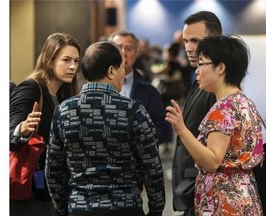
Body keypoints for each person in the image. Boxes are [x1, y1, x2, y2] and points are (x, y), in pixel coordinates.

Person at [45, 41, 165, 216]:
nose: (123, 74)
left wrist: (65, 207)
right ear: (110, 71)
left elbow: (53, 170)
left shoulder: (63, 111)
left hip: (80, 207)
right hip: (125, 208)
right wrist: (156, 210)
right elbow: (152, 167)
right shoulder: (133, 110)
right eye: (121, 68)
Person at [165, 35, 264, 215]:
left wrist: (181, 130)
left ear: (220, 67)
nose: (197, 70)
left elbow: (212, 161)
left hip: (224, 202)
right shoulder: (244, 102)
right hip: (245, 196)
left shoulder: (223, 109)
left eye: (201, 64)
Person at [10, 32, 81, 216]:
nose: (73, 66)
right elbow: (9, 134)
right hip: (33, 189)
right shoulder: (30, 88)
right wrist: (23, 129)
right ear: (50, 60)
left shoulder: (65, 95)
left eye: (76, 61)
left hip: (57, 189)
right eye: (66, 60)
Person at [171, 11, 222, 216]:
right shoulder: (200, 80)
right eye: (185, 41)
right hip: (193, 193)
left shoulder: (219, 89)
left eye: (195, 40)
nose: (189, 48)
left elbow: (216, 156)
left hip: (207, 193)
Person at [109, 30, 172, 145]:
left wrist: (135, 133)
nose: (123, 53)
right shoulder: (97, 87)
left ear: (137, 53)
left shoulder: (149, 91)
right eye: (118, 47)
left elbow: (164, 131)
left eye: (129, 49)